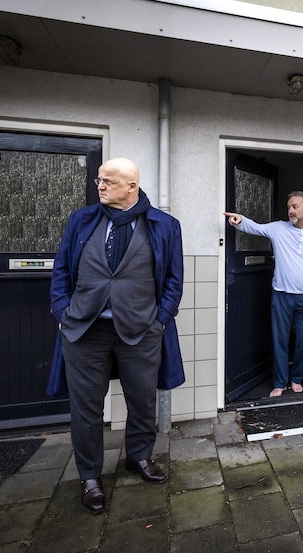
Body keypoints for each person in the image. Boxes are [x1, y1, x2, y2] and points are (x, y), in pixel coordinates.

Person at [49, 157, 184, 514]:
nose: (100, 185)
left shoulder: (164, 226)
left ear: (131, 187)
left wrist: (161, 320)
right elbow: (62, 267)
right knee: (86, 409)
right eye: (99, 180)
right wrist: (62, 312)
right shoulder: (82, 220)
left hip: (141, 331)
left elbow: (173, 280)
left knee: (142, 401)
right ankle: (90, 476)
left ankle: (138, 457)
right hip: (85, 330)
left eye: (108, 181)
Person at [224, 191, 303, 397]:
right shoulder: (279, 228)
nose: (290, 210)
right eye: (289, 206)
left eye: (295, 206)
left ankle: (296, 378)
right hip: (281, 295)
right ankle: (279, 383)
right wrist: (239, 220)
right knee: (279, 340)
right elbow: (256, 228)